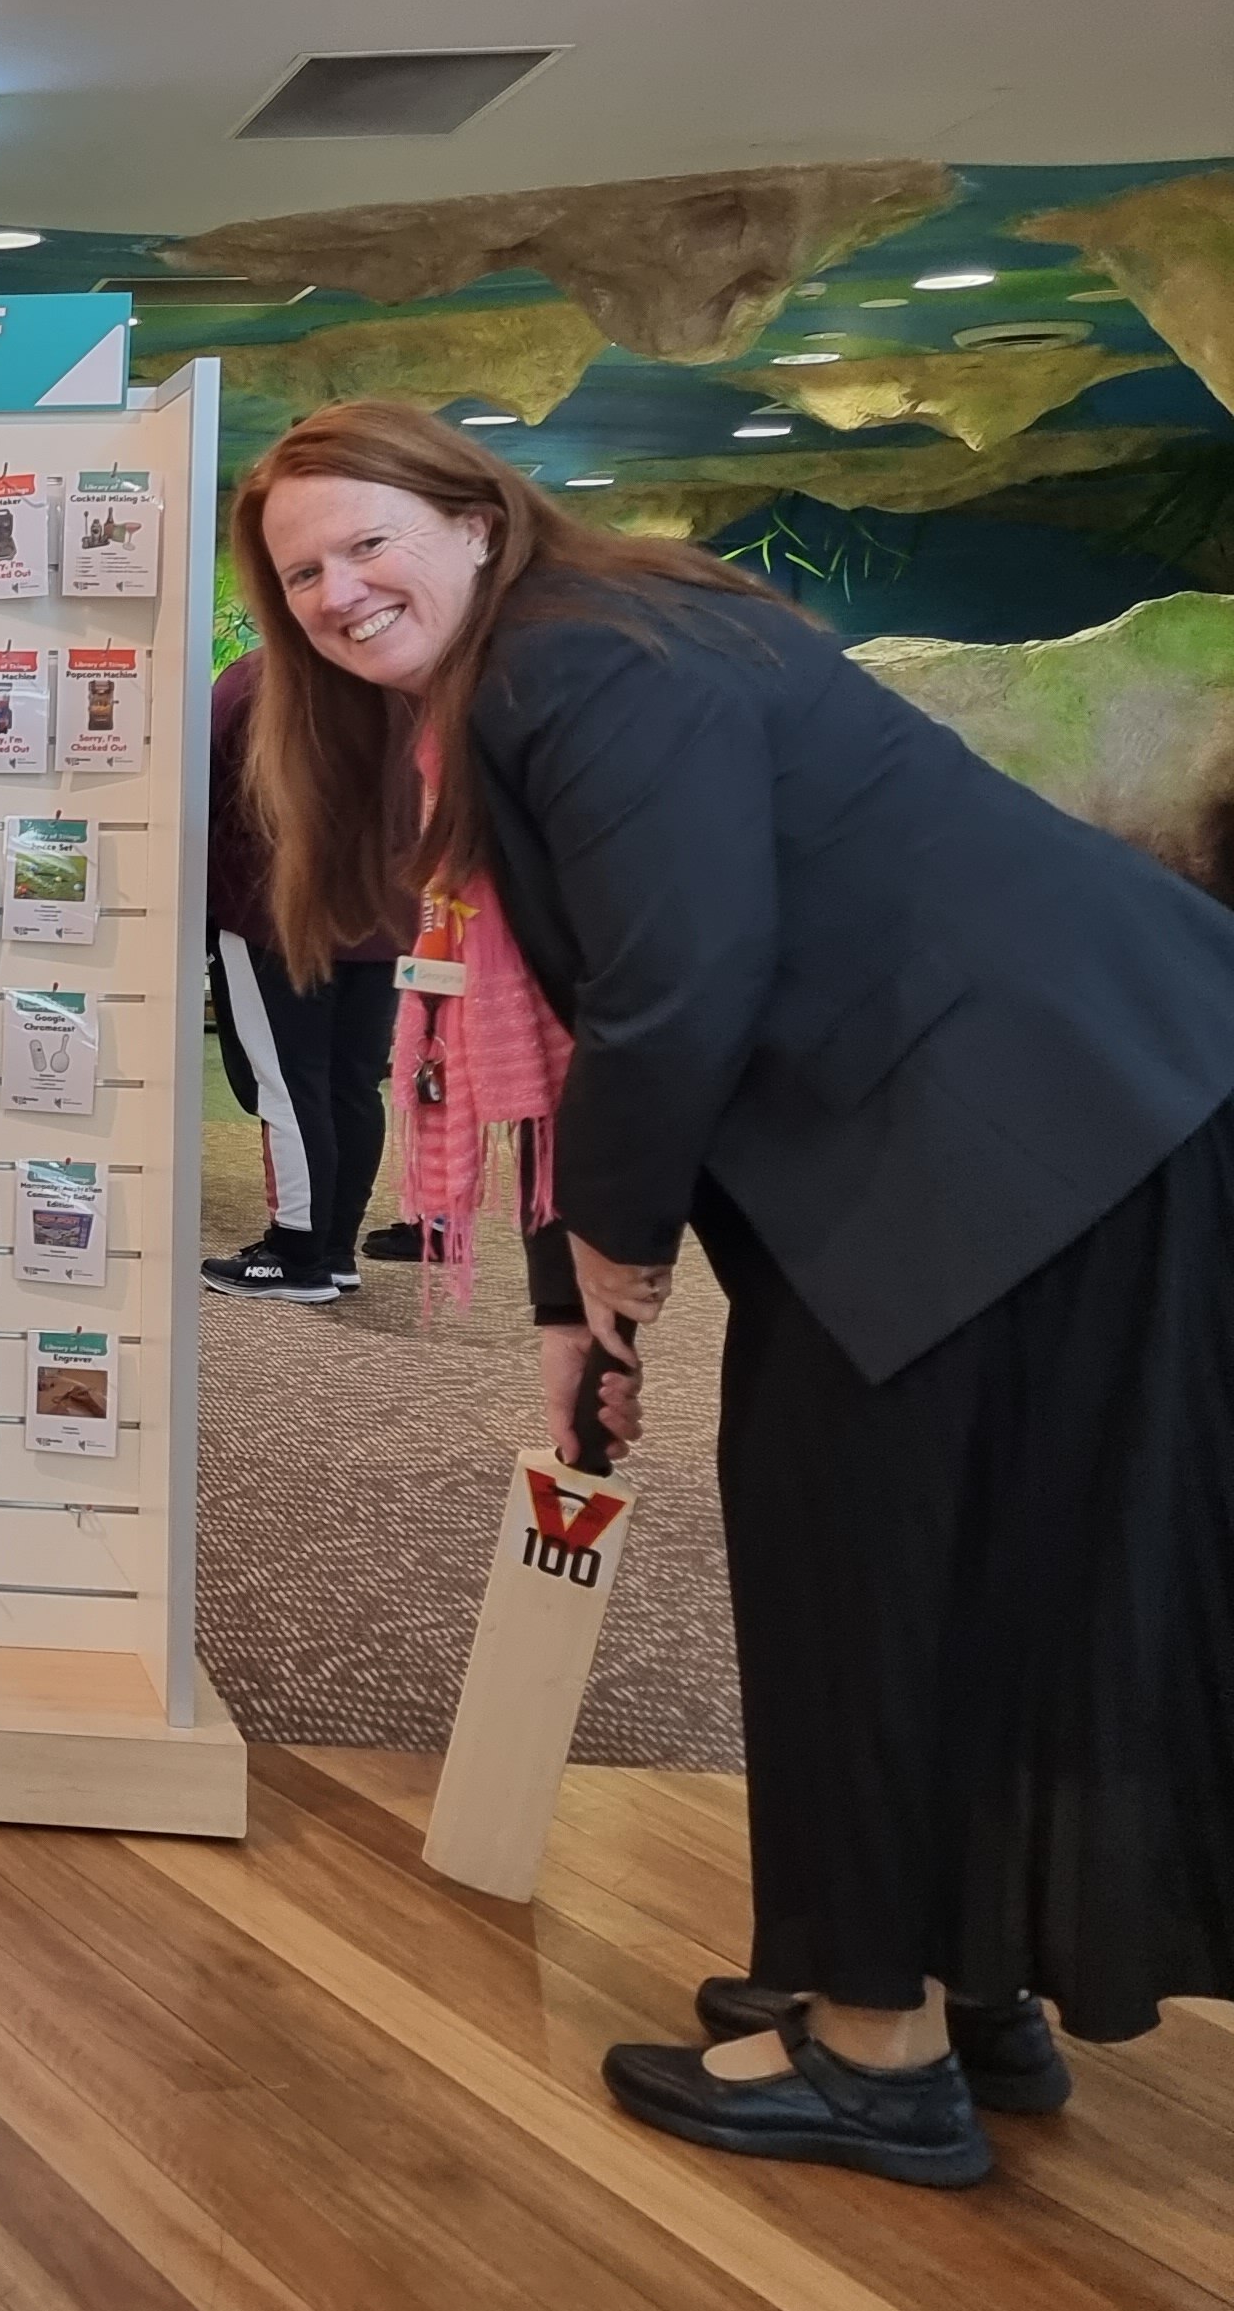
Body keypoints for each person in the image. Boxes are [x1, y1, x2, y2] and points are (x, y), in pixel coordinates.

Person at [232, 398, 1234, 2190]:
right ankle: (953, 1977)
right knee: (970, 1559)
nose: (338, 591)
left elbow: (677, 984)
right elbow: (618, 1005)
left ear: (476, 518)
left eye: (367, 541)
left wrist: (614, 1260)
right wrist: (571, 1305)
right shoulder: (591, 639)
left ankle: (874, 2050)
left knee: (854, 1561)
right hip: (1061, 1115)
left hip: (1006, 1132)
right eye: (303, 572)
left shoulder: (577, 665)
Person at [201, 641, 400, 1300]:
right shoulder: (400, 674)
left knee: (288, 1086)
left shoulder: (252, 682)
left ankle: (295, 1253)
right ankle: (334, 1250)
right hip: (381, 917)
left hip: (273, 918)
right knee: (352, 1085)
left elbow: (203, 792)